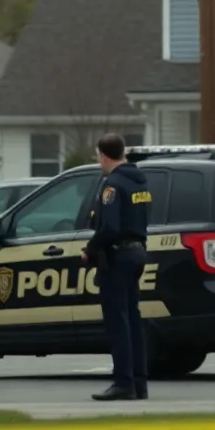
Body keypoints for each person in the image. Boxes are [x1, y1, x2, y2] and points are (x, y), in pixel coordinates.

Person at [83, 133, 152, 401]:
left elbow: (109, 227)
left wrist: (90, 250)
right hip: (137, 253)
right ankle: (139, 383)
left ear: (103, 154)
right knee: (133, 320)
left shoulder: (112, 185)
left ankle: (123, 383)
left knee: (118, 322)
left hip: (118, 257)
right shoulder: (140, 181)